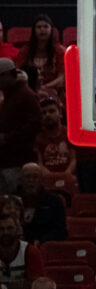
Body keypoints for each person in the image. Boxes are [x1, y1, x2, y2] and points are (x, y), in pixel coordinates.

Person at [0, 58, 43, 193]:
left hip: (18, 161)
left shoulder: (26, 95)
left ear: (8, 75)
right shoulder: (10, 96)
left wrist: (7, 138)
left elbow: (36, 124)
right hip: (8, 160)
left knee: (15, 199)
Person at [16, 162, 66, 243]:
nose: (31, 180)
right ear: (21, 180)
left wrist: (41, 241)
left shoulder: (54, 201)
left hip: (45, 245)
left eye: (35, 177)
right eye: (27, 177)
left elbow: (60, 230)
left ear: (41, 179)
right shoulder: (11, 200)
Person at [14, 15, 65, 94]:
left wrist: (45, 87)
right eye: (39, 27)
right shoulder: (26, 50)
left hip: (53, 90)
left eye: (45, 26)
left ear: (51, 29)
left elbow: (62, 79)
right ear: (34, 30)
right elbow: (17, 73)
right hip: (29, 90)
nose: (42, 30)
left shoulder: (59, 51)